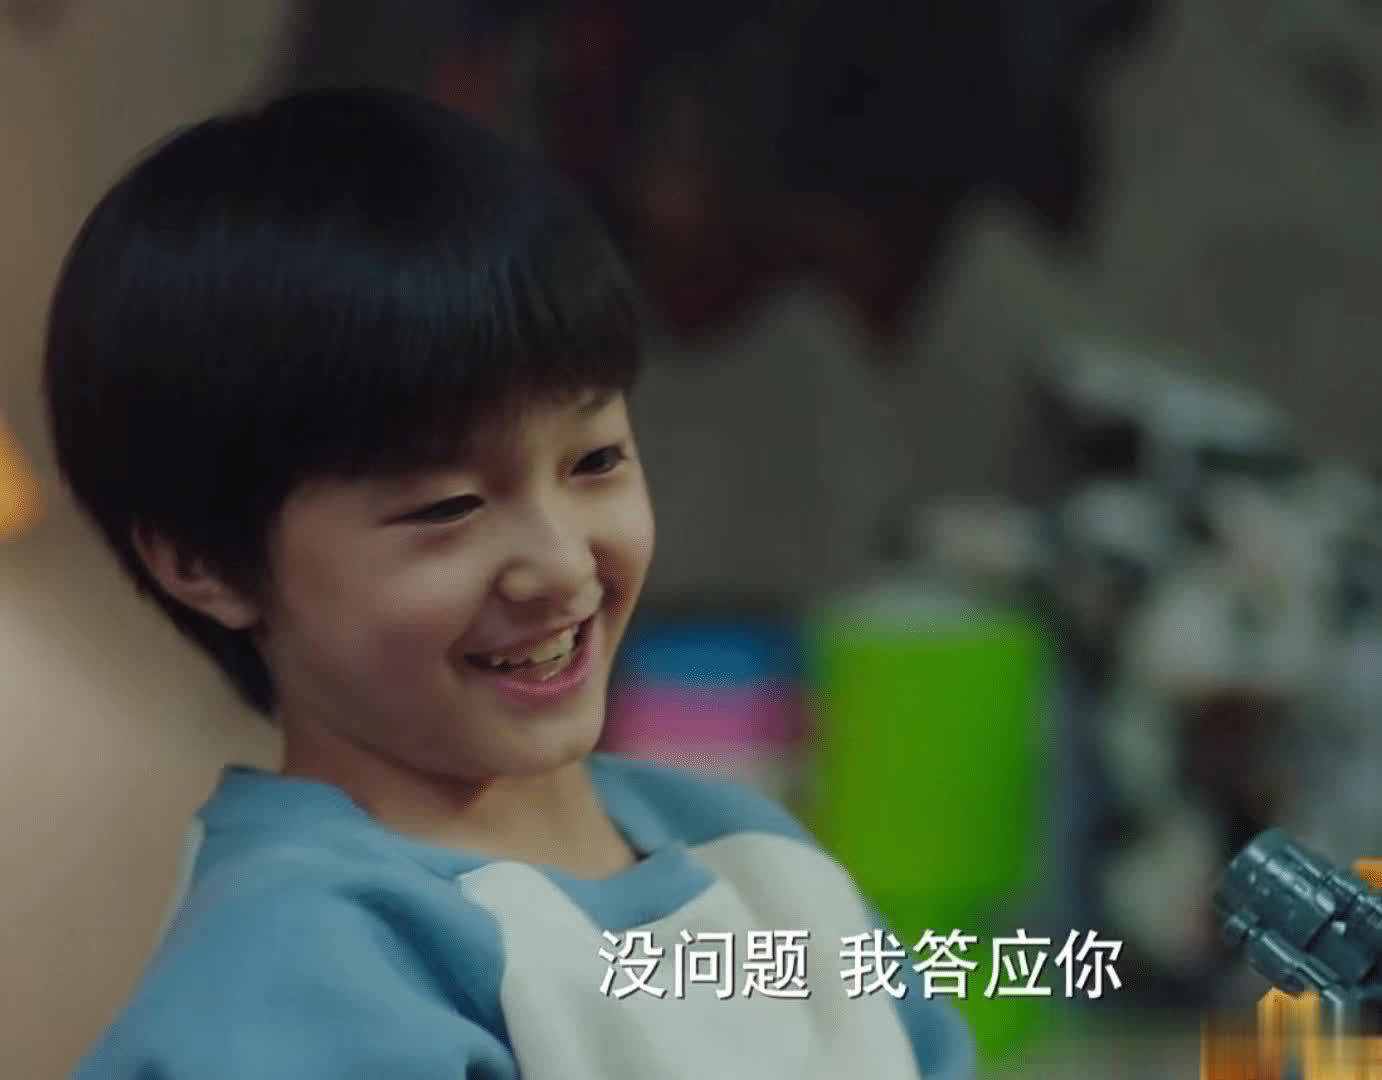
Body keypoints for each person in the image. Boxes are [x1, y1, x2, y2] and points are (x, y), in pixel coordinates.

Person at [44, 87, 976, 1079]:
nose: (561, 564)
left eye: (595, 460)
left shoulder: (746, 847)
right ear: (203, 562)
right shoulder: (293, 975)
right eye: (446, 506)